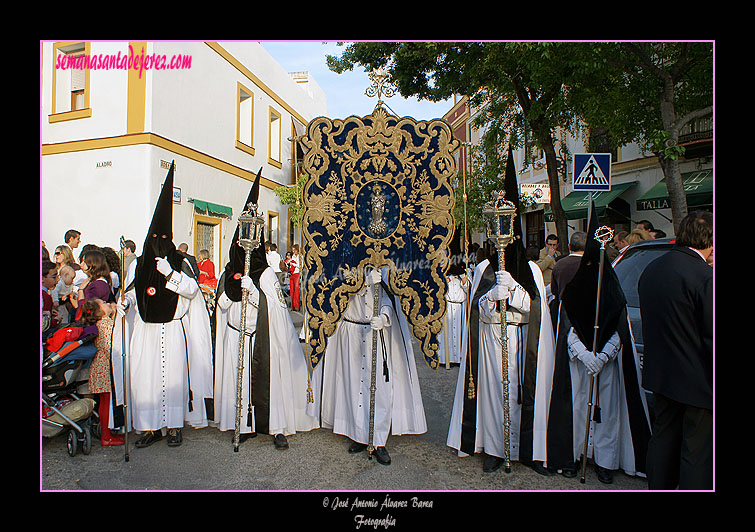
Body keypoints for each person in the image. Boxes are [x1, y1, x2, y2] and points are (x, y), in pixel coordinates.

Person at [213, 170, 319, 449]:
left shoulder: (267, 275)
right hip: (237, 336)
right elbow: (222, 304)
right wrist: (231, 294)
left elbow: (277, 311)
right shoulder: (229, 272)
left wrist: (255, 293)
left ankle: (276, 426)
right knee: (241, 382)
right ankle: (243, 424)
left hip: (264, 341)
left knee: (269, 383)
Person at [547, 208, 651, 484]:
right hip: (579, 364)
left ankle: (605, 460)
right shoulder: (576, 290)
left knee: (608, 414)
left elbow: (621, 328)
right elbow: (566, 325)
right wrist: (583, 354)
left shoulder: (612, 291)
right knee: (578, 409)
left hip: (607, 364)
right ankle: (575, 456)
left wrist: (604, 355)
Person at [115, 162, 214, 448]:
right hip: (146, 332)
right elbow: (134, 292)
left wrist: (170, 273)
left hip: (172, 330)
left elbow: (192, 291)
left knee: (173, 380)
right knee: (146, 380)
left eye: (163, 239)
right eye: (154, 239)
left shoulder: (180, 263)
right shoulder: (139, 264)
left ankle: (173, 426)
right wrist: (125, 302)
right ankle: (150, 428)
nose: (159, 244)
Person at [447, 229, 557, 475]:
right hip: (491, 338)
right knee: (493, 394)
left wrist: (515, 293)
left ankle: (528, 450)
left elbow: (536, 308)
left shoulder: (533, 270)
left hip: (521, 338)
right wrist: (491, 297)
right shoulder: (484, 268)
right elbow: (476, 309)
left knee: (522, 394)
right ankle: (495, 450)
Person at [319, 266, 427, 465]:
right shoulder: (345, 264)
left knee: (379, 388)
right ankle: (358, 434)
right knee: (352, 386)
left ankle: (378, 440)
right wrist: (364, 281)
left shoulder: (384, 267)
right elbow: (339, 289)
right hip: (352, 331)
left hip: (376, 332)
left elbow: (389, 298)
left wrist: (385, 317)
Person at [639, 210, 713, 490]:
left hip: (662, 374)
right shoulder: (704, 276)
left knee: (663, 441)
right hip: (698, 380)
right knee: (696, 453)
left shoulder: (653, 268)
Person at [77, 298, 126, 447]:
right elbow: (111, 345)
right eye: (103, 303)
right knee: (107, 402)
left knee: (105, 402)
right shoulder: (106, 324)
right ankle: (107, 435)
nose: (107, 303)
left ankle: (107, 432)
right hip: (106, 367)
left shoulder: (101, 323)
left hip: (100, 366)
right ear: (99, 311)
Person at [438, 228, 469, 367]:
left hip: (460, 307)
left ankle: (459, 358)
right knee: (448, 334)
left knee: (460, 334)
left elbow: (469, 288)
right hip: (448, 306)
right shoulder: (444, 273)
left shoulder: (465, 272)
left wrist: (463, 278)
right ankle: (447, 358)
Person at [42, 260, 60, 330]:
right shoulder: (45, 297)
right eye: (54, 277)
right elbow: (44, 325)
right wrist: (56, 321)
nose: (57, 280)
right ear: (42, 279)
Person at [289, 244, 301, 311]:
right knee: (292, 290)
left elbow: (300, 265)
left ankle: (297, 306)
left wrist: (293, 264)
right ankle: (292, 305)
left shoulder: (300, 256)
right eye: (292, 250)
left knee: (296, 290)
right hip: (292, 274)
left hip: (297, 274)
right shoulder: (293, 256)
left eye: (294, 250)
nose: (293, 251)